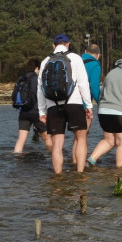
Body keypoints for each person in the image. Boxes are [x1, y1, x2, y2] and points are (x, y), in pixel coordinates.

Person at [36, 34, 93, 173]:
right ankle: (80, 174)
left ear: (53, 45)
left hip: (53, 105)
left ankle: (58, 176)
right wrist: (89, 105)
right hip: (74, 103)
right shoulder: (76, 58)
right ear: (68, 44)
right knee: (80, 139)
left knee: (57, 143)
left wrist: (42, 112)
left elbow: (40, 88)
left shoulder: (45, 61)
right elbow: (83, 84)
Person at [87, 52, 122, 168]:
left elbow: (102, 93)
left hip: (104, 112)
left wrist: (100, 109)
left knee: (109, 140)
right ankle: (120, 172)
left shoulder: (111, 73)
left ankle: (91, 159)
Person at [13, 58, 52, 154]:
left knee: (21, 139)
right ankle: (52, 155)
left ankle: (16, 157)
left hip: (23, 112)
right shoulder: (36, 79)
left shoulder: (21, 78)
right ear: (37, 68)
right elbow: (39, 95)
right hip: (36, 112)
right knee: (47, 137)